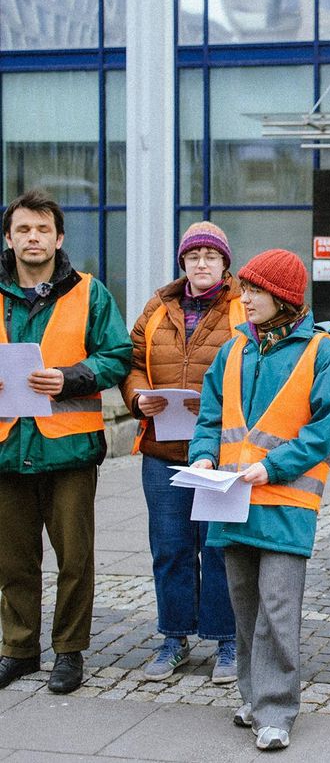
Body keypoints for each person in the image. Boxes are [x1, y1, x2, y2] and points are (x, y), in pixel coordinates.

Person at [189, 249, 330, 751]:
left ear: (282, 297)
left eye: (256, 290)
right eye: (245, 288)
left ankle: (275, 711)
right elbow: (210, 417)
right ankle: (253, 695)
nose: (245, 297)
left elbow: (328, 428)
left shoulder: (322, 351)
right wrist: (201, 458)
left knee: (277, 611)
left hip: (285, 503)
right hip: (232, 499)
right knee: (244, 609)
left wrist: (271, 467)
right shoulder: (234, 349)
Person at [0, 189, 131, 694]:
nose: (34, 238)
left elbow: (118, 354)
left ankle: (69, 653)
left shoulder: (89, 292)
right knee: (12, 559)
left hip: (69, 447)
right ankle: (18, 649)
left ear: (59, 238)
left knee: (75, 558)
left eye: (43, 230)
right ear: (9, 239)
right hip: (8, 446)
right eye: (24, 230)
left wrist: (72, 377)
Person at [120, 222, 243, 684]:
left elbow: (256, 368)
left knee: (218, 548)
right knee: (170, 548)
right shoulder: (157, 307)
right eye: (194, 257)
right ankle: (174, 637)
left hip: (223, 450)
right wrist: (137, 398)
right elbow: (130, 363)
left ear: (225, 263)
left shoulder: (241, 308)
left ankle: (226, 640)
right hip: (163, 447)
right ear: (183, 263)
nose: (202, 264)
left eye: (211, 256)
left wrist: (215, 399)